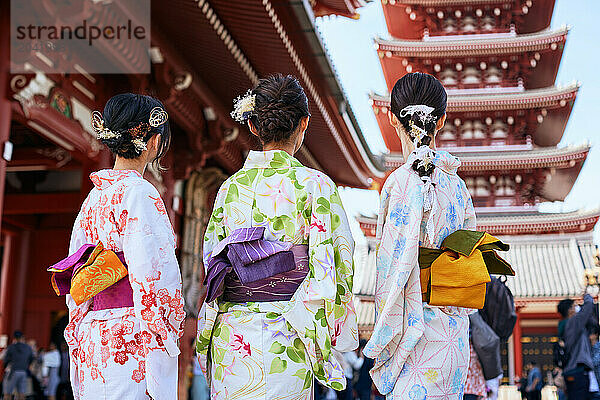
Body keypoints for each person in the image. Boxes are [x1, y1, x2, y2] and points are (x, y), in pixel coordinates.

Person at [196, 74, 358, 399]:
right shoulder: (315, 185)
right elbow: (336, 263)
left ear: (253, 126)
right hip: (288, 334)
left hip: (232, 335)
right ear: (303, 124)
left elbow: (212, 262)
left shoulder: (229, 190)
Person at [61, 94, 185, 399]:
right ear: (154, 142)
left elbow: (77, 271)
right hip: (130, 336)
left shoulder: (93, 199)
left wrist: (79, 327)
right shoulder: (141, 194)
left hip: (93, 333)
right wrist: (166, 331)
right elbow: (153, 277)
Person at [363, 72, 475, 398]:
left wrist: (380, 346)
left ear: (393, 119)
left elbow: (391, 274)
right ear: (441, 121)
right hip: (453, 335)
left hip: (412, 337)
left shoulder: (398, 185)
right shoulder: (458, 186)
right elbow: (469, 261)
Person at [558, 294, 596, 400]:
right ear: (570, 310)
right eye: (574, 306)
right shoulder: (574, 322)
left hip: (571, 370)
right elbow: (588, 309)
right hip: (577, 371)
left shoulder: (565, 325)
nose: (577, 308)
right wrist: (588, 296)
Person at [2, 331, 33, 400]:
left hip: (13, 371)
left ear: (15, 338)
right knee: (22, 393)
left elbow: (6, 360)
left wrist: (5, 368)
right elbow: (31, 359)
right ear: (22, 337)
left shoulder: (11, 347)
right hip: (23, 371)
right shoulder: (28, 348)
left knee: (7, 393)